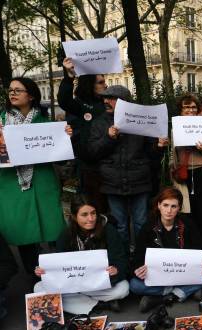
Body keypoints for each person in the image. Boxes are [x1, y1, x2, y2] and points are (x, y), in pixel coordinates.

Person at [0, 77, 70, 280]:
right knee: (24, 234)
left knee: (55, 229)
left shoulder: (45, 123)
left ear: (30, 95)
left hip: (43, 182)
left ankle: (63, 276)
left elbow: (62, 161)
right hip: (10, 184)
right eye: (10, 90)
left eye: (18, 90)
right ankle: (35, 279)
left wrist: (65, 139)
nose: (12, 93)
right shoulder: (1, 121)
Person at [88, 85, 168, 245]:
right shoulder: (99, 123)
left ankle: (141, 257)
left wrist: (159, 146)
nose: (106, 101)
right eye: (105, 98)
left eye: (111, 98)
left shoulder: (141, 121)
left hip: (139, 182)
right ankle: (122, 261)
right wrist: (108, 138)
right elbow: (92, 152)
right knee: (120, 226)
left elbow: (152, 156)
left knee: (141, 223)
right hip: (112, 184)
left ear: (125, 102)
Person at [34, 195, 129, 315]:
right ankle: (100, 305)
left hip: (98, 283)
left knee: (123, 288)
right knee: (38, 287)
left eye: (93, 213)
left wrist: (116, 269)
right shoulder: (66, 234)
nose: (90, 219)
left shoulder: (108, 230)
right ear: (74, 217)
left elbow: (121, 258)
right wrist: (44, 271)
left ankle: (79, 304)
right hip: (73, 284)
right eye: (84, 215)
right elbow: (58, 264)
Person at [131, 187, 202, 313]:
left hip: (184, 273)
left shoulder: (187, 224)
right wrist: (139, 269)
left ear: (179, 208)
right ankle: (187, 291)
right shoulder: (148, 227)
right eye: (165, 205)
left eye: (173, 206)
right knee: (134, 285)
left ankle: (167, 297)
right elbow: (138, 257)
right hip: (160, 277)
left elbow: (201, 249)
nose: (169, 210)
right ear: (159, 205)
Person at [170, 93, 202, 247]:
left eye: (193, 107)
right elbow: (172, 155)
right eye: (186, 107)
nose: (191, 110)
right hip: (184, 175)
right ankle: (191, 248)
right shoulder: (176, 128)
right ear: (181, 110)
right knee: (187, 213)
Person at [58, 57, 108, 212]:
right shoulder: (79, 104)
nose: (105, 85)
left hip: (108, 164)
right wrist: (68, 77)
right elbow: (64, 101)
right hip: (88, 166)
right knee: (92, 205)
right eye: (100, 82)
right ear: (90, 85)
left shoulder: (108, 104)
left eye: (104, 81)